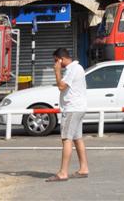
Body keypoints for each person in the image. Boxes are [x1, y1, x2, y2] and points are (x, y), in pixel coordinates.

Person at [47, 48, 89, 182]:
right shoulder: (78, 68)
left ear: (61, 59)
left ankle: (63, 172)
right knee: (77, 138)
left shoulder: (72, 69)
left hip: (71, 109)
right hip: (79, 107)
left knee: (66, 139)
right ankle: (84, 168)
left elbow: (61, 86)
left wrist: (57, 71)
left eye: (56, 61)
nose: (55, 64)